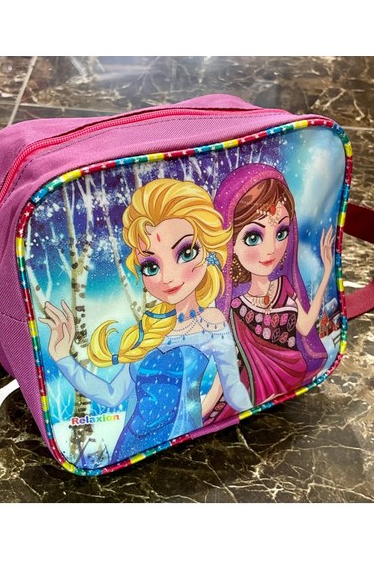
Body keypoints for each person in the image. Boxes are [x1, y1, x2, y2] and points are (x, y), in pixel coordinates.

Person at [40, 178, 252, 466]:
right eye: (151, 266)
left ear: (210, 251)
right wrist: (62, 357)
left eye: (186, 253)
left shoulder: (212, 323)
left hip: (185, 446)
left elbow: (233, 388)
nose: (168, 277)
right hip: (130, 447)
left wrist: (255, 411)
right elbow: (113, 395)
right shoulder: (149, 330)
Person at [204, 164, 333, 425]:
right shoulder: (234, 308)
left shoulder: (284, 286)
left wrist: (327, 271)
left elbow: (305, 326)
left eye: (281, 232)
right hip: (256, 393)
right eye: (253, 237)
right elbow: (226, 370)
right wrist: (198, 413)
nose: (271, 249)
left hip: (294, 377)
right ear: (230, 242)